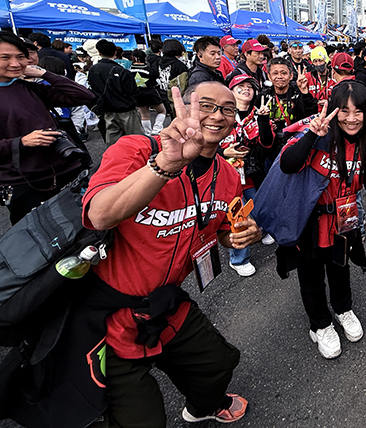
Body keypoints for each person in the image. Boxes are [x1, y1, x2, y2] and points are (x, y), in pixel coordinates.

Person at [82, 83, 261, 425]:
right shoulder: (135, 149)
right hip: (109, 316)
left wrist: (238, 236)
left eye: (227, 109)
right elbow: (100, 215)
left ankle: (203, 408)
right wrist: (166, 162)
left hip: (167, 304)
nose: (217, 116)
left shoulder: (226, 173)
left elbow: (221, 229)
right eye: (205, 105)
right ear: (181, 107)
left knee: (219, 363)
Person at [277, 82, 366, 359]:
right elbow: (287, 164)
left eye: (358, 111)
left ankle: (342, 309)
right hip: (310, 223)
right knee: (311, 276)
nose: (351, 118)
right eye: (344, 110)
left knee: (340, 268)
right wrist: (311, 136)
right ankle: (320, 324)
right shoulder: (320, 136)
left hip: (344, 220)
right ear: (333, 110)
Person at [0, 32, 95, 224]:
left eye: (20, 57)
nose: (16, 63)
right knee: (38, 239)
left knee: (84, 228)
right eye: (5, 57)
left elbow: (85, 96)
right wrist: (22, 142)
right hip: (24, 182)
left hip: (66, 172)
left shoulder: (28, 87)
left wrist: (44, 74)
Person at [220, 74, 275, 276]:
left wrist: (263, 119)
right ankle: (238, 259)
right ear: (230, 91)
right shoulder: (220, 115)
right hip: (226, 175)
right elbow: (202, 145)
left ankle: (261, 230)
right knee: (237, 216)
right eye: (240, 86)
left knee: (259, 204)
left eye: (249, 87)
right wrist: (223, 153)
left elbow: (267, 144)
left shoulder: (257, 113)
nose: (245, 89)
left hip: (250, 173)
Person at [88, 39, 143, 145]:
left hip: (107, 110)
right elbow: (132, 91)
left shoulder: (93, 70)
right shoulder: (121, 71)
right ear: (115, 53)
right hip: (126, 109)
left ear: (99, 53)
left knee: (113, 142)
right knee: (136, 139)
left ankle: (116, 160)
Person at [131, 49, 168, 135]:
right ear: (144, 58)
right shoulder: (149, 70)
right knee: (162, 111)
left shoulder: (128, 71)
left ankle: (148, 133)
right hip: (151, 93)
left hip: (137, 95)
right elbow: (156, 82)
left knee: (144, 115)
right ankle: (157, 128)